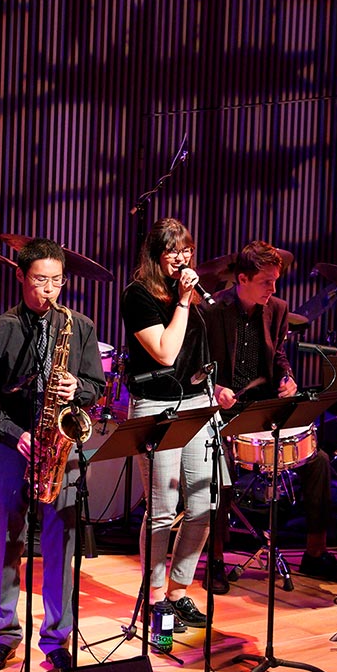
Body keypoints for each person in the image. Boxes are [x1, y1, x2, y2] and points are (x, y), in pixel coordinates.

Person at [0, 239, 105, 672]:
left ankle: (57, 638)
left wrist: (75, 389)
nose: (49, 291)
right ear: (22, 277)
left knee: (61, 543)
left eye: (57, 281)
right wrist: (15, 433)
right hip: (14, 445)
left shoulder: (79, 326)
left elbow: (96, 387)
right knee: (8, 542)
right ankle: (5, 633)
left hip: (61, 445)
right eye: (41, 280)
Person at [201, 241, 337, 584]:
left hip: (265, 407)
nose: (273, 288)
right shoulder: (213, 312)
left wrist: (288, 377)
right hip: (224, 411)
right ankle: (216, 558)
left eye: (276, 281)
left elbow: (278, 357)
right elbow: (198, 366)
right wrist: (215, 388)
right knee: (221, 466)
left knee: (318, 460)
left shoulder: (277, 309)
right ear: (242, 278)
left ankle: (315, 554)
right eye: (266, 281)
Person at [121, 218, 225, 637]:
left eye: (187, 251)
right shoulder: (138, 296)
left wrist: (217, 393)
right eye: (173, 252)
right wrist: (182, 303)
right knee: (163, 510)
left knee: (202, 506)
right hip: (157, 408)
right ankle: (156, 595)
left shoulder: (193, 296)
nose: (183, 260)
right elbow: (165, 353)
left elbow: (194, 355)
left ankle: (180, 588)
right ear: (155, 256)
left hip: (198, 405)